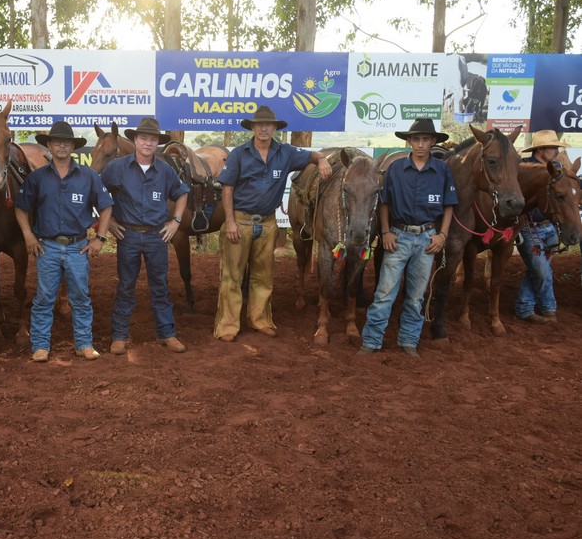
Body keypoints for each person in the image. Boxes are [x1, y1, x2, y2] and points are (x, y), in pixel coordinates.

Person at [214, 105, 332, 342]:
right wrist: (229, 222)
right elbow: (227, 189)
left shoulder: (285, 152)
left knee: (264, 275)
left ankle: (260, 319)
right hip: (240, 220)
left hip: (268, 223)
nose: (264, 128)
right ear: (253, 128)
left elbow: (312, 154)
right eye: (259, 124)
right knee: (232, 276)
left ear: (275, 128)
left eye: (269, 125)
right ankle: (227, 325)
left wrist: (321, 161)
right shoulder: (239, 154)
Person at [15, 121, 114, 363]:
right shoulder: (37, 178)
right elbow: (20, 208)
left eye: (66, 142)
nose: (61, 145)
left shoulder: (88, 176)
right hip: (47, 246)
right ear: (49, 145)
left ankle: (84, 344)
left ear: (72, 146)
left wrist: (100, 238)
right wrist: (28, 235)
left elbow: (106, 206)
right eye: (57, 141)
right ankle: (40, 346)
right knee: (44, 297)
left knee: (80, 297)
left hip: (77, 247)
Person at [359, 118, 456, 357]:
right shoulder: (396, 169)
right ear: (409, 142)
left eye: (425, 139)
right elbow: (384, 203)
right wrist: (385, 231)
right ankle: (371, 340)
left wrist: (442, 235)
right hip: (399, 236)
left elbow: (449, 206)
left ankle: (409, 340)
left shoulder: (442, 170)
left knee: (416, 295)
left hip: (427, 239)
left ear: (433, 142)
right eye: (416, 139)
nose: (421, 144)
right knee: (384, 293)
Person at [102, 117, 189, 355]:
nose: (148, 143)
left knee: (160, 286)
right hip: (127, 235)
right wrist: (107, 221)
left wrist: (176, 221)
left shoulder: (166, 171)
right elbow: (95, 193)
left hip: (156, 236)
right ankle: (120, 336)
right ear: (135, 140)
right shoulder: (116, 168)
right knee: (126, 286)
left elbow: (182, 194)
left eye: (153, 139)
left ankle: (167, 334)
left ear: (157, 143)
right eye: (143, 138)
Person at [514, 130, 569, 324]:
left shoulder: (557, 167)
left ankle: (524, 307)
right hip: (530, 227)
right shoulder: (523, 168)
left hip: (549, 228)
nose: (556, 151)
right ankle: (548, 308)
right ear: (541, 149)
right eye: (553, 147)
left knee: (538, 269)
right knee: (542, 270)